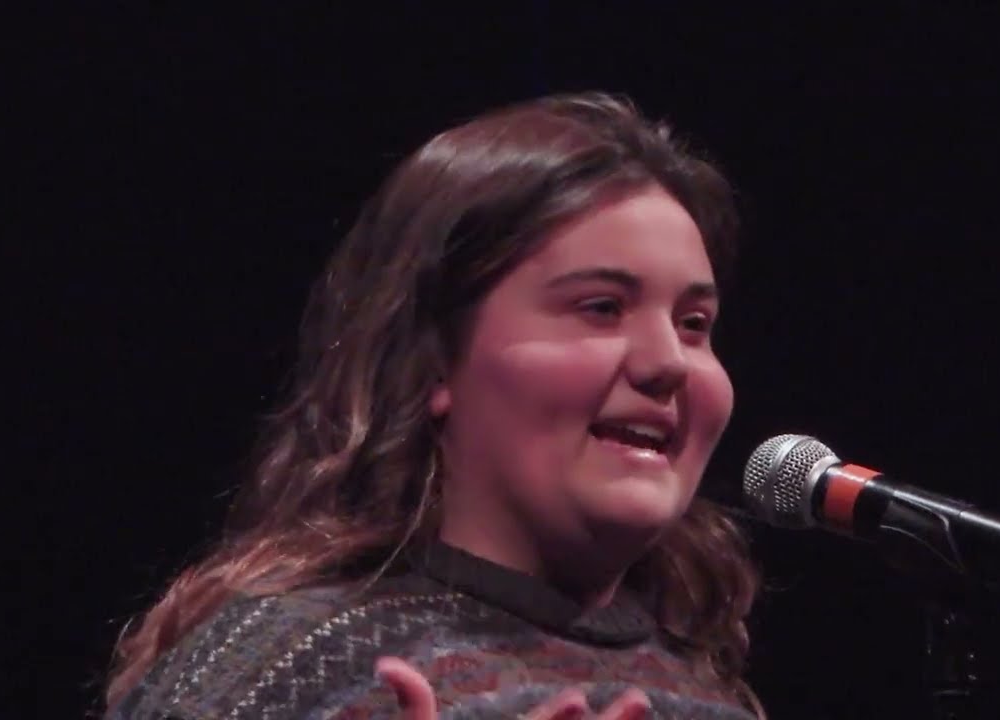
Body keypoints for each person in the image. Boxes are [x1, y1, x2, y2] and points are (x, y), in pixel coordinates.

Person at [105, 92, 763, 719]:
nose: (668, 361)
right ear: (434, 360)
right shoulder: (282, 666)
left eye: (694, 323)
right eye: (600, 308)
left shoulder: (707, 700)